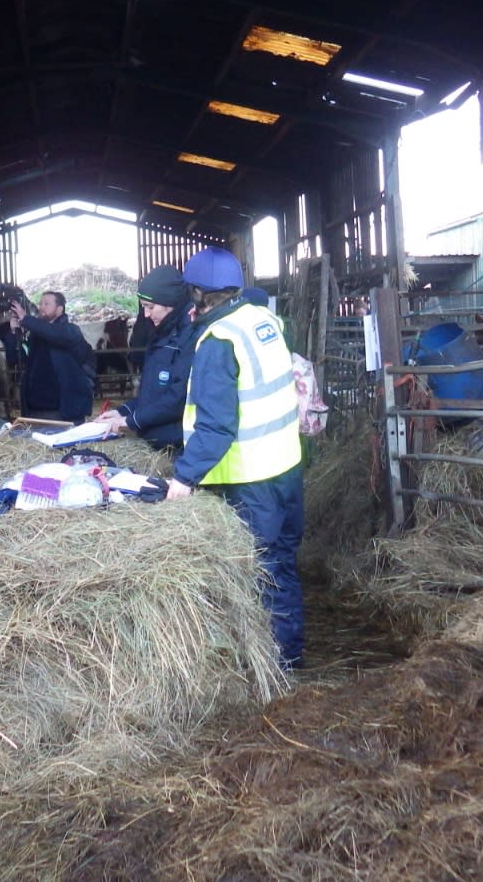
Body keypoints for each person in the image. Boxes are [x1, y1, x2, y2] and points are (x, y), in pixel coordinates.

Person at [166, 246, 306, 670]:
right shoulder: (263, 321)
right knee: (281, 563)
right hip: (287, 467)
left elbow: (216, 425)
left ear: (199, 294)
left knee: (258, 571)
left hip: (251, 479)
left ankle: (272, 666)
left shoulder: (218, 341)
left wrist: (183, 478)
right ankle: (291, 654)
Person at [96, 265, 197, 450]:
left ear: (170, 302)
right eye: (144, 307)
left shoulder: (189, 337)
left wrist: (130, 421)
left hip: (177, 447)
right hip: (159, 444)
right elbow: (154, 392)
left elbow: (177, 398)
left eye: (150, 307)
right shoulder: (165, 331)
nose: (146, 314)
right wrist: (123, 411)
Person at [5, 290, 95, 422]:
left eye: (47, 304)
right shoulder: (35, 335)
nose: (41, 307)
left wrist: (26, 319)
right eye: (40, 303)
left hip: (62, 412)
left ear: (59, 309)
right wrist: (13, 333)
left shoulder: (71, 331)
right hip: (34, 411)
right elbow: (16, 358)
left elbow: (54, 333)